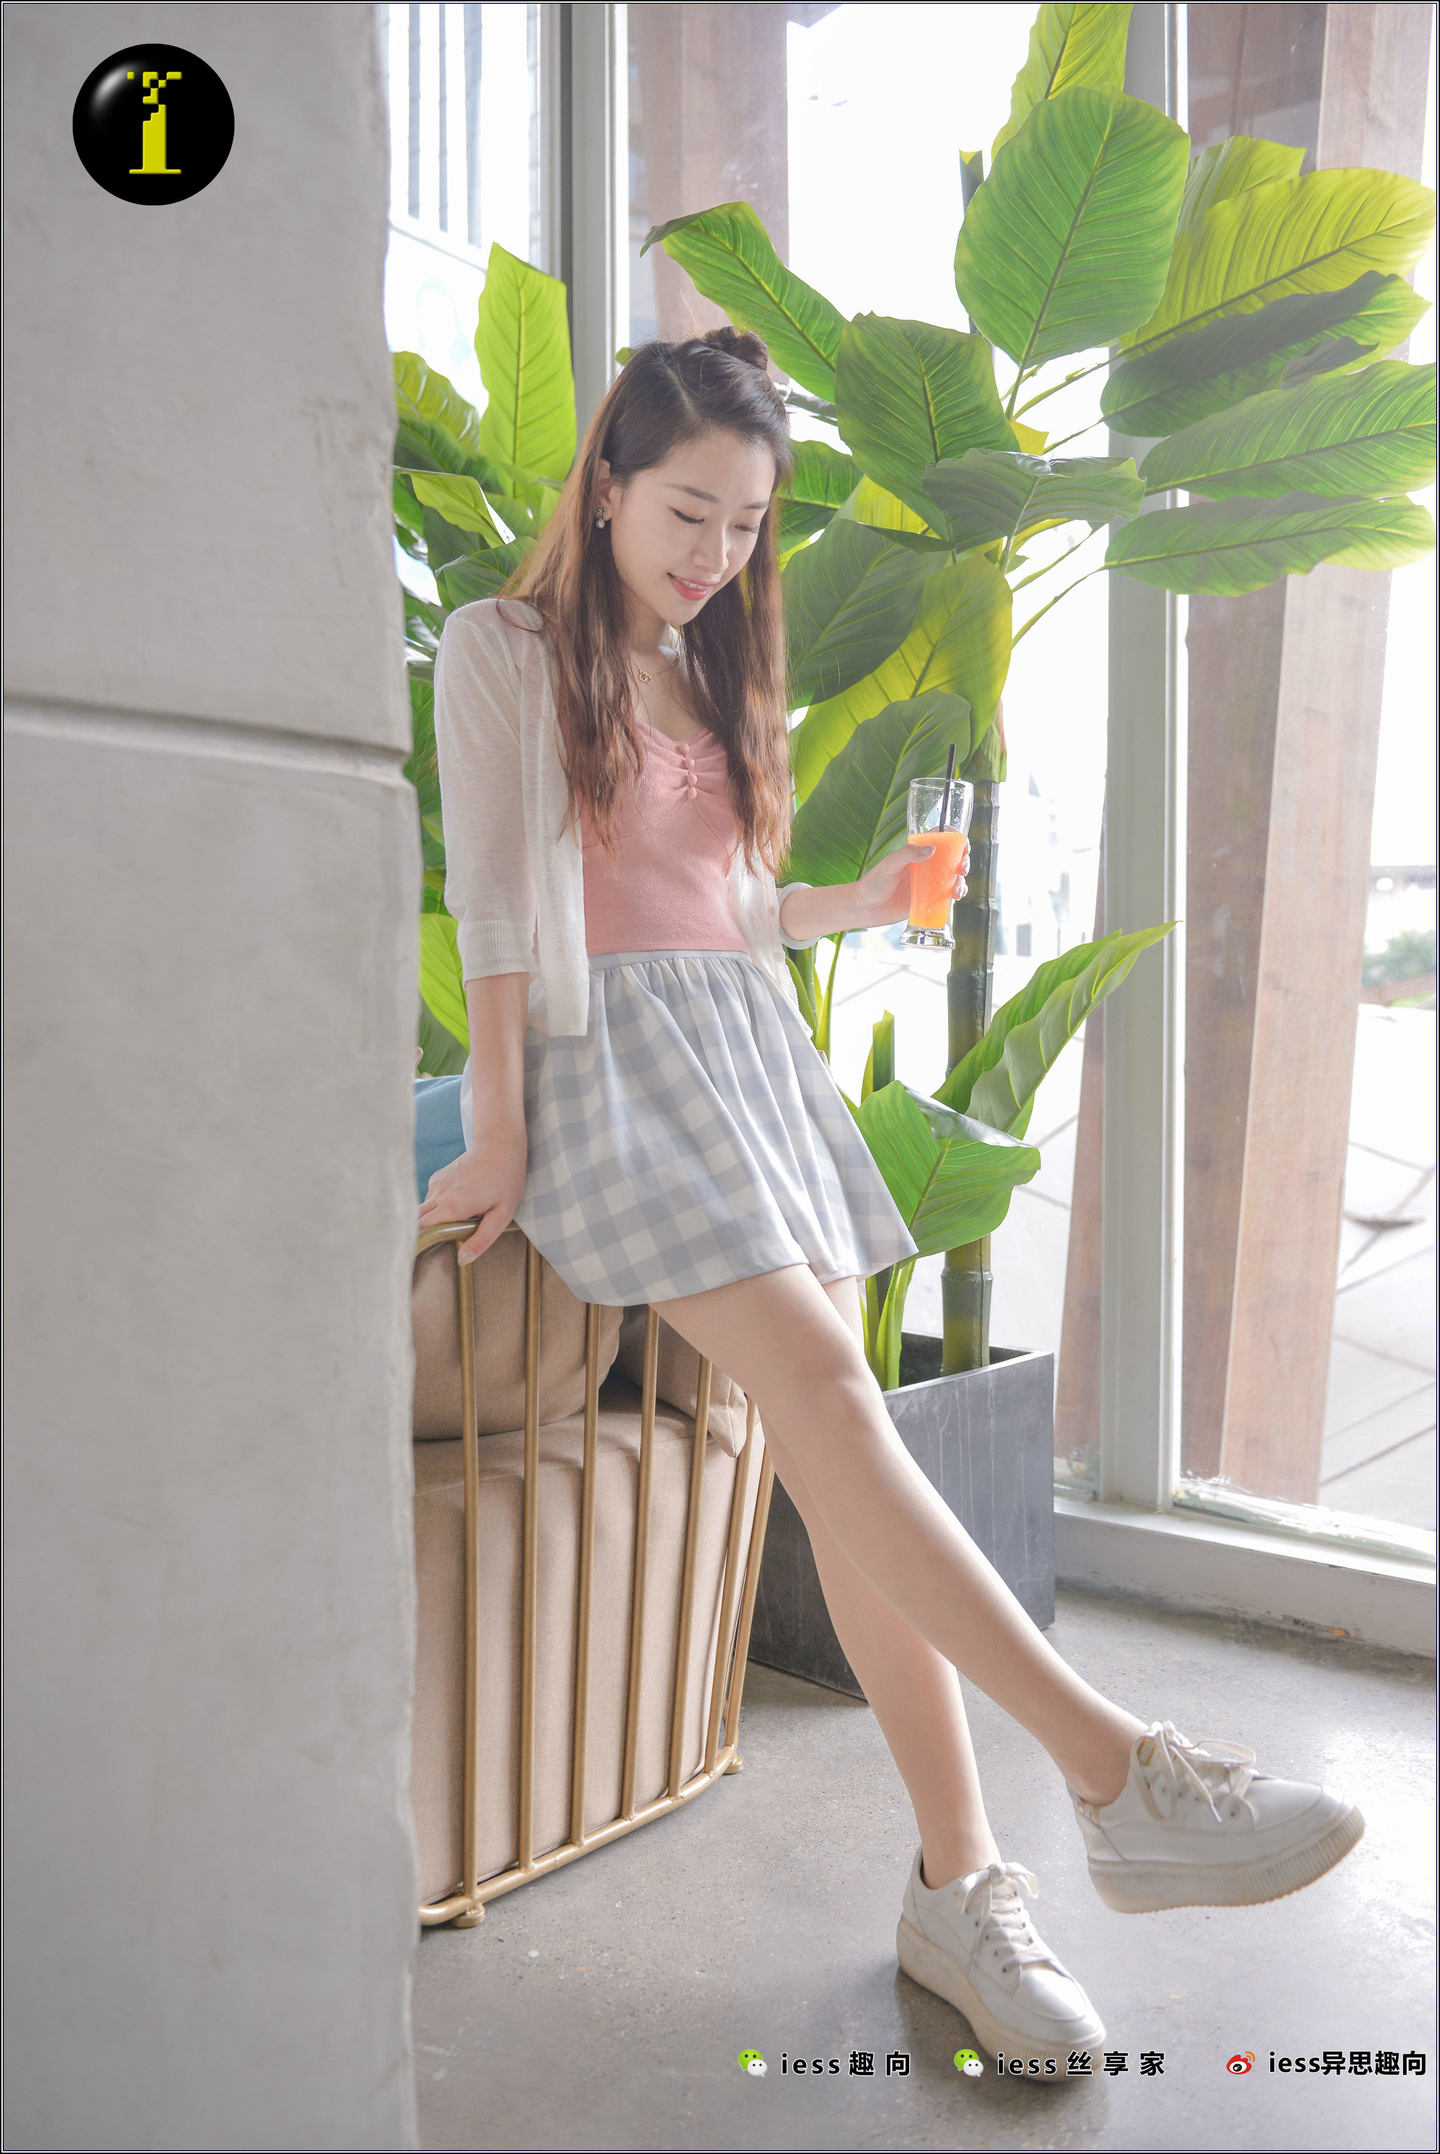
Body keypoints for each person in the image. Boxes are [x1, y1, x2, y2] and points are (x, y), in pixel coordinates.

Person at [416, 327, 1363, 2067]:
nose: (715, 555)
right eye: (688, 512)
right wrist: (495, 1123)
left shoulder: (707, 668)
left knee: (843, 1470)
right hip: (611, 1078)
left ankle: (959, 1884)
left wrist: (851, 902)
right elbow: (496, 903)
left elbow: (721, 909)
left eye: (745, 525)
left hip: (749, 1061)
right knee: (839, 1397)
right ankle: (1120, 1772)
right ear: (607, 484)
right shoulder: (503, 650)